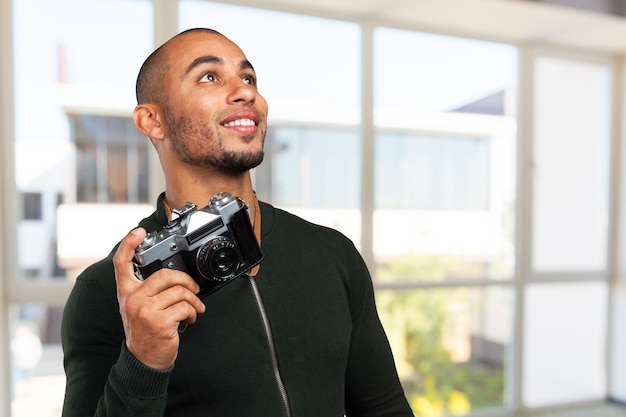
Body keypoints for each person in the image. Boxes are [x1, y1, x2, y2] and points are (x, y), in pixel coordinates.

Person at [61, 27, 414, 417]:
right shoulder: (106, 291)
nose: (246, 92)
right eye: (209, 76)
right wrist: (143, 360)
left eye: (248, 78)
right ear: (152, 121)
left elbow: (386, 409)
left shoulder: (332, 254)